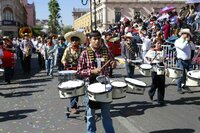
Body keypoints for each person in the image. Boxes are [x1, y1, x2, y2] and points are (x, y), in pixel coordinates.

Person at [77, 30, 116, 133]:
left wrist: (113, 64)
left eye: (99, 38)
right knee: (90, 114)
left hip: (104, 86)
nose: (97, 41)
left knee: (106, 114)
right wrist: (92, 71)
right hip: (90, 85)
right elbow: (79, 71)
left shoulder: (106, 51)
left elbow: (113, 61)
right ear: (90, 40)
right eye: (95, 39)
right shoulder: (84, 53)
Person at [61, 31, 86, 114]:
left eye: (76, 40)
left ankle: (84, 104)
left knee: (80, 87)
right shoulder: (68, 49)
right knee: (72, 88)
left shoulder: (82, 49)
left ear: (79, 41)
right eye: (73, 40)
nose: (74, 42)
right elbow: (63, 59)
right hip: (70, 71)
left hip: (80, 70)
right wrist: (64, 62)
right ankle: (73, 107)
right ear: (71, 42)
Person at [144, 39, 166, 106]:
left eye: (160, 43)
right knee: (155, 83)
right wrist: (148, 62)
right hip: (154, 66)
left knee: (162, 83)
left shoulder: (163, 51)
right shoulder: (152, 50)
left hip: (161, 66)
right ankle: (151, 92)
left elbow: (163, 59)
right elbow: (145, 57)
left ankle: (160, 100)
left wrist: (165, 62)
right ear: (155, 44)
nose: (159, 45)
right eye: (158, 43)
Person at [174, 28, 194, 94]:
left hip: (188, 60)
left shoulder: (188, 42)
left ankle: (186, 86)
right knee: (181, 74)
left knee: (189, 74)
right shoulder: (177, 41)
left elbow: (193, 48)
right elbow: (182, 47)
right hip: (181, 60)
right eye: (187, 34)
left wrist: (190, 42)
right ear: (183, 34)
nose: (188, 35)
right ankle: (179, 88)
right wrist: (186, 41)